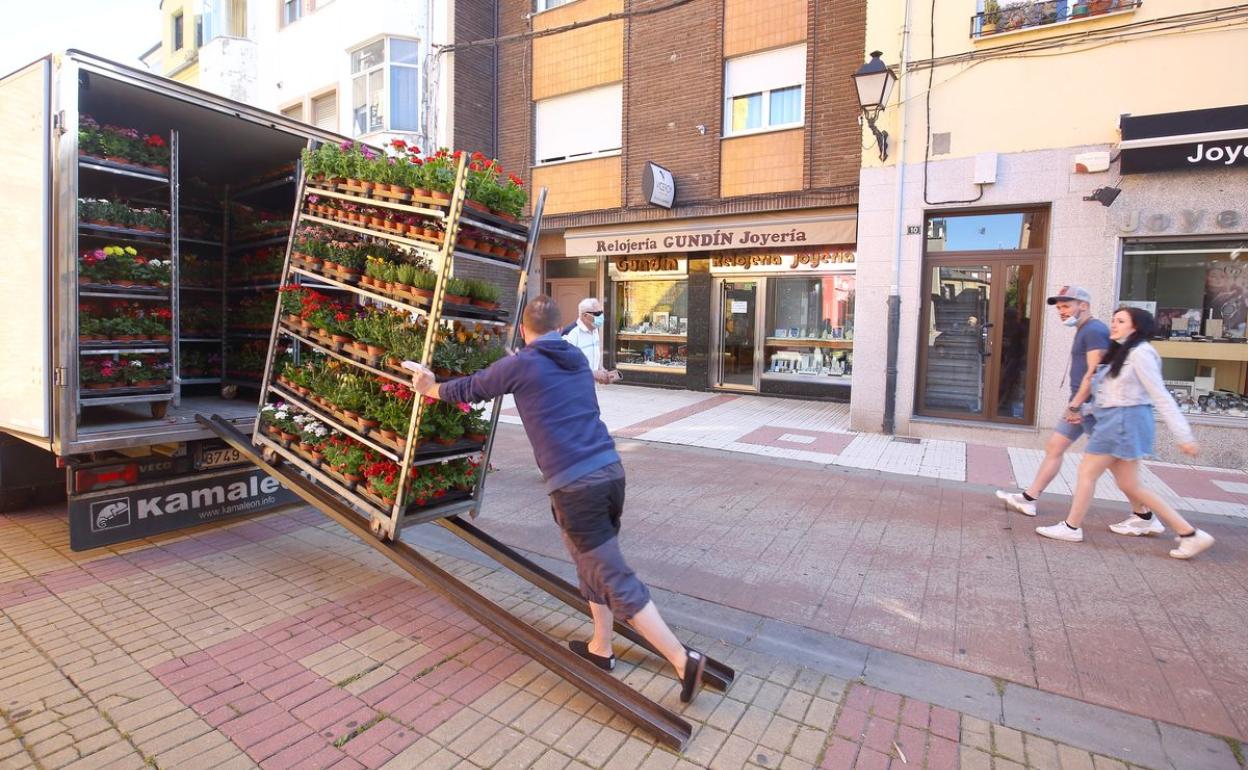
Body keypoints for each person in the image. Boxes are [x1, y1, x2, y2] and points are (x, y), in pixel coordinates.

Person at [405, 295, 707, 702]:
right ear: (558, 325)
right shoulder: (574, 359)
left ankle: (682, 660)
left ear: (523, 329)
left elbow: (472, 389)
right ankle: (602, 646)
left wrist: (429, 387)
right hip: (610, 473)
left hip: (575, 485)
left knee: (612, 574)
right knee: (590, 561)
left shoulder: (522, 363)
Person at [1035, 306, 1214, 559]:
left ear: (1136, 327)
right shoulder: (1121, 351)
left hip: (1122, 422)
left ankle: (1071, 527)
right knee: (1130, 484)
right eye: (1113, 320)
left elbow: (1160, 395)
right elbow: (1110, 394)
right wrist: (1082, 408)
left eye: (1120, 321)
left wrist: (1183, 435)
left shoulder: (1141, 353)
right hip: (1119, 421)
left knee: (1087, 472)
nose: (1114, 324)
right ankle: (1190, 534)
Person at [996, 286, 1153, 531]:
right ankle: (1029, 498)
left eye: (1066, 305)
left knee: (1115, 467)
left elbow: (1095, 373)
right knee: (1055, 447)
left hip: (1089, 407)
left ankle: (1142, 515)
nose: (1061, 311)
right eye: (1059, 307)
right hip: (1083, 405)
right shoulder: (1087, 329)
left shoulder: (1094, 331)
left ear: (1084, 305)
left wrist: (1076, 405)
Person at [562, 297, 617, 384]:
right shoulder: (571, 334)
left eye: (602, 312)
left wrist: (601, 370)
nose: (601, 316)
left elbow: (593, 356)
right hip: (572, 386)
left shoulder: (594, 330)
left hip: (589, 385)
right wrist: (592, 374)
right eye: (597, 313)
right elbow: (564, 364)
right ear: (585, 315)